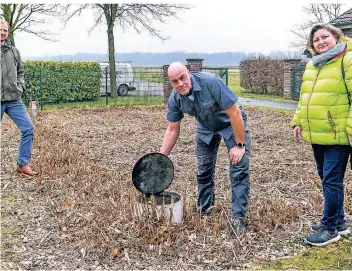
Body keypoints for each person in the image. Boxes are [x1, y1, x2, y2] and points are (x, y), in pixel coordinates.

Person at [160, 62, 251, 234]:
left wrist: (240, 145)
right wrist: (161, 158)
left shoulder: (211, 82)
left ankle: (238, 219)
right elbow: (172, 129)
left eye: (182, 78)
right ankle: (205, 208)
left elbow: (235, 113)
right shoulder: (175, 98)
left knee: (238, 170)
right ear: (170, 82)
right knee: (203, 170)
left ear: (189, 73)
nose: (180, 84)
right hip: (206, 127)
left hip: (231, 125)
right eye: (174, 81)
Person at [291, 23, 352, 246]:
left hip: (338, 133)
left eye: (325, 37)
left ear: (336, 37)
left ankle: (329, 229)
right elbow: (304, 96)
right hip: (317, 132)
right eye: (316, 40)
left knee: (331, 180)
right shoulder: (313, 65)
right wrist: (297, 121)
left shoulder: (347, 59)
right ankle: (340, 222)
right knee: (327, 179)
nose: (321, 42)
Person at [1, 19, 36, 176]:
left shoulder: (14, 52)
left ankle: (23, 164)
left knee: (28, 128)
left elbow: (20, 71)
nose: (2, 33)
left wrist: (19, 86)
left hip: (14, 99)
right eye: (0, 29)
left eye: (5, 30)